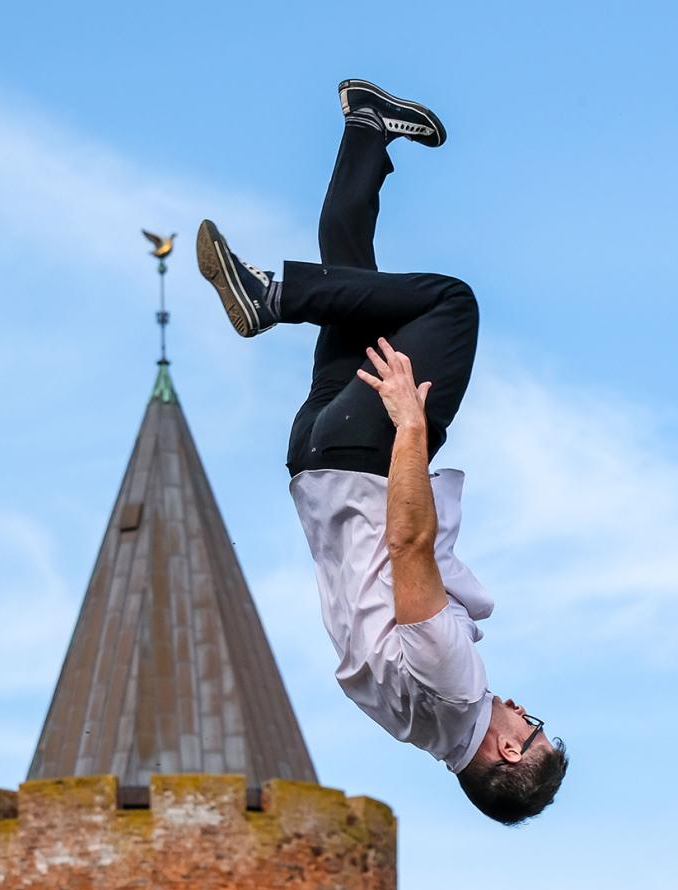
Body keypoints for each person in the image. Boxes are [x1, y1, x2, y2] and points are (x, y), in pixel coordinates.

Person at [197, 79, 568, 825]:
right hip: (315, 458)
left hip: (366, 453)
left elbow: (408, 545)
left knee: (451, 303)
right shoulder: (409, 725)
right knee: (355, 279)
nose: (523, 711)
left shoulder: (456, 689)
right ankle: (367, 127)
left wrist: (408, 426)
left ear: (507, 751)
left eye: (530, 728)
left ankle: (271, 297)